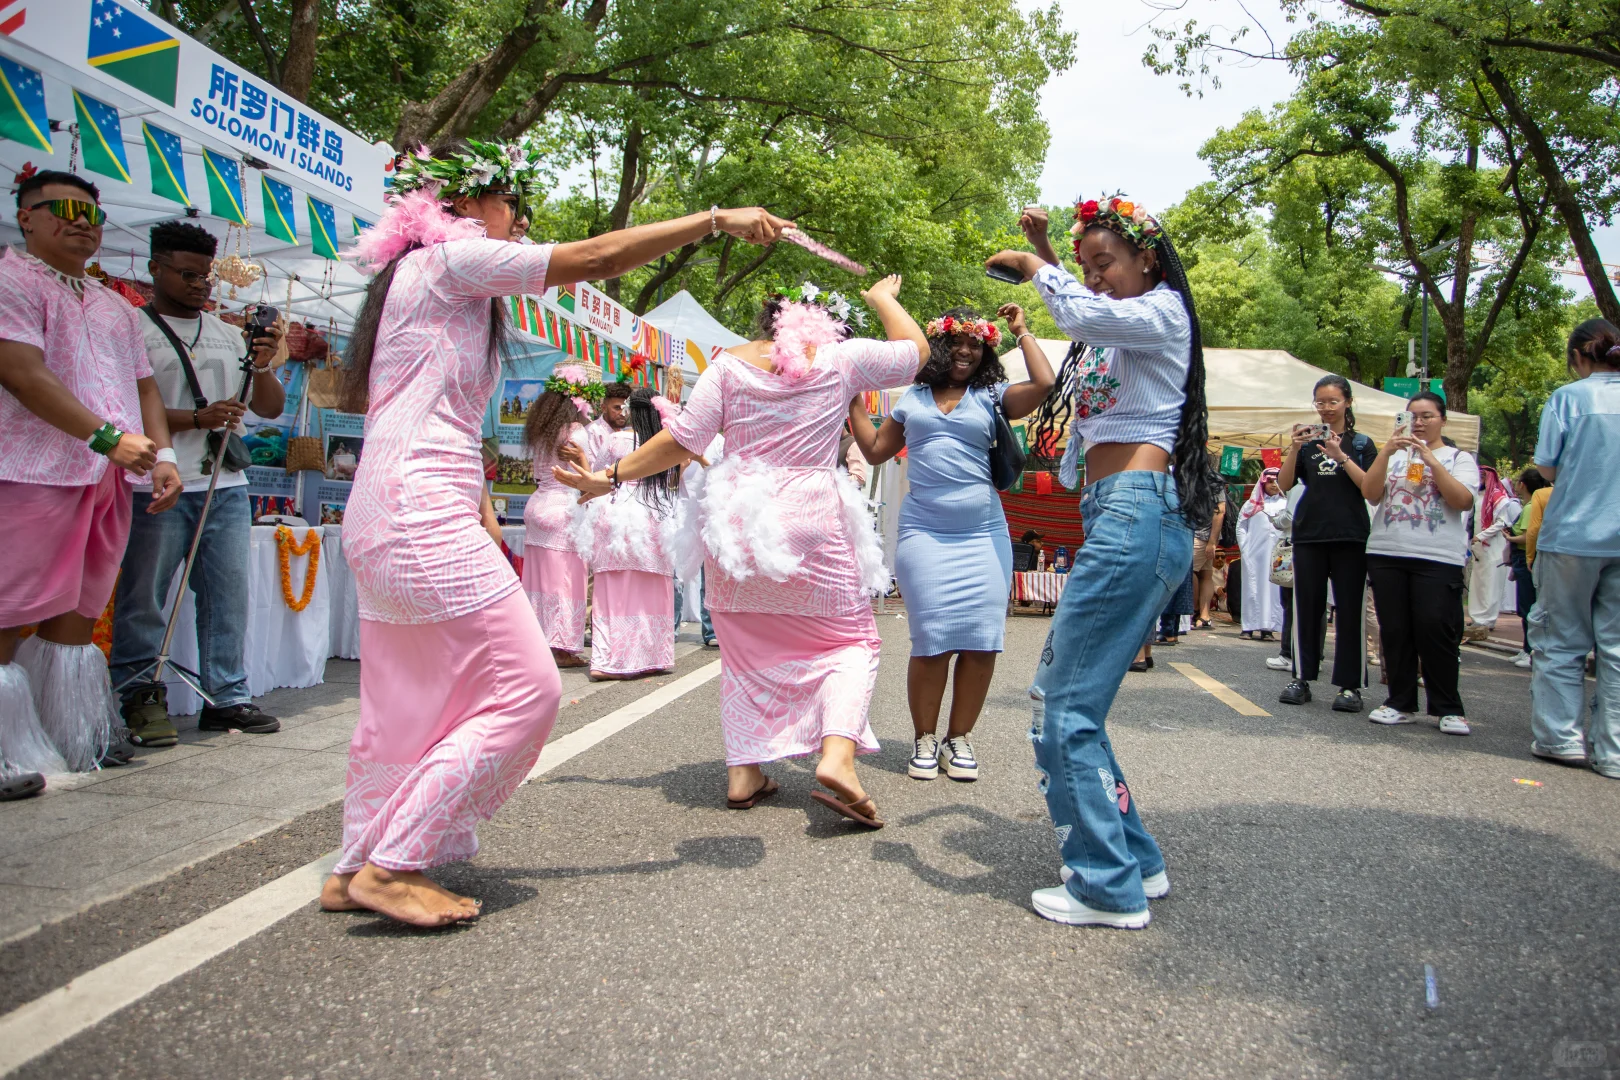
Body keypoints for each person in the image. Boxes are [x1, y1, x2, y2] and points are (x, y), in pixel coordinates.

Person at [320, 135, 791, 927]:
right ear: (462, 203)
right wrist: (713, 217)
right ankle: (394, 864)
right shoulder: (451, 257)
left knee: (401, 703)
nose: (520, 223)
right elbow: (600, 256)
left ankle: (354, 862)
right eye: (514, 206)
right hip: (422, 510)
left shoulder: (411, 276)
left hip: (380, 511)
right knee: (529, 690)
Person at [555, 276, 928, 826]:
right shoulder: (841, 358)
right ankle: (838, 756)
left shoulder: (728, 365)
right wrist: (883, 299)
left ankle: (744, 771)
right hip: (812, 517)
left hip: (738, 526)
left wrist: (609, 478)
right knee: (850, 641)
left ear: (765, 317)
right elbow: (917, 353)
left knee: (746, 650)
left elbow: (683, 438)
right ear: (821, 318)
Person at [986, 193, 1221, 928]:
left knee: (1059, 708)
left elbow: (1089, 315)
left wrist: (1033, 267)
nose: (1093, 279)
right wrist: (1055, 255)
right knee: (1077, 706)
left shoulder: (1164, 315)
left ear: (1147, 258)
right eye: (1084, 267)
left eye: (1106, 263)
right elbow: (1092, 314)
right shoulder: (1125, 325)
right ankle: (1136, 862)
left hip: (1136, 514)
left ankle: (1104, 886)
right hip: (1122, 515)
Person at [0, 170, 182, 782]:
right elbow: (22, 374)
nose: (82, 222)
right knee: (6, 608)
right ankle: (3, 753)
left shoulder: (115, 306)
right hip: (29, 469)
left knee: (76, 616)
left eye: (93, 214)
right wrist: (106, 438)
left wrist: (163, 458)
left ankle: (70, 739)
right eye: (65, 209)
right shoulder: (10, 278)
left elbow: (144, 388)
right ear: (27, 216)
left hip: (104, 480)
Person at [848, 303, 1054, 782]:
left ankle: (958, 739)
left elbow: (1043, 385)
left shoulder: (993, 395)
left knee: (982, 641)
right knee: (931, 640)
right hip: (923, 531)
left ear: (984, 351)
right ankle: (924, 738)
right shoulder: (911, 397)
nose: (965, 350)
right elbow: (877, 452)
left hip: (983, 533)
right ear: (938, 345)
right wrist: (851, 399)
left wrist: (1021, 331)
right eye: (956, 342)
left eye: (975, 343)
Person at [110, 221, 287, 748]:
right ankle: (139, 696)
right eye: (187, 274)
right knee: (145, 597)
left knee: (227, 595)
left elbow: (270, 408)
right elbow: (121, 408)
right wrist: (196, 420)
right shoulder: (130, 330)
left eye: (205, 276)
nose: (199, 285)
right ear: (154, 268)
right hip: (154, 484)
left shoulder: (228, 333)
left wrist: (263, 365)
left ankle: (225, 696)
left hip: (224, 484)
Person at [1528, 319, 1620, 777]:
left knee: (1560, 640)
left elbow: (1546, 467)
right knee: (1618, 648)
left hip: (1573, 534)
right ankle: (1614, 751)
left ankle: (1561, 737)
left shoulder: (1570, 398)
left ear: (1580, 354)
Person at [1359, 392, 1479, 734]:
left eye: (1427, 416)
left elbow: (1462, 500)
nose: (1420, 422)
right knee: (1394, 631)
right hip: (1387, 552)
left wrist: (1431, 461)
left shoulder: (1459, 458)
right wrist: (1386, 451)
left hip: (1438, 557)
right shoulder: (1394, 456)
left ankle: (1448, 708)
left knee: (1435, 629)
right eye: (1413, 416)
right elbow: (1370, 492)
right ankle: (1400, 702)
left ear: (1443, 419)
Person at [1275, 375, 1378, 711]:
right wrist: (1293, 446)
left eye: (1333, 401)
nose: (1326, 408)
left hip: (1350, 535)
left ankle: (1350, 687)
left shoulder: (1362, 444)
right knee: (1306, 608)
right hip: (1309, 534)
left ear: (1347, 402)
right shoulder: (1306, 445)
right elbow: (1285, 483)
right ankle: (1301, 678)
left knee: (1350, 612)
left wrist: (1340, 455)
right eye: (1320, 402)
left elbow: (1370, 489)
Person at [574, 385, 680, 680]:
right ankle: (651, 656)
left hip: (615, 513)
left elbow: (597, 475)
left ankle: (607, 660)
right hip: (652, 512)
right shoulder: (661, 442)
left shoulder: (614, 440)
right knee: (652, 586)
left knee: (612, 589)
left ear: (631, 411)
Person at [520, 368, 596, 669]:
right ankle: (562, 648)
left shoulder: (541, 430)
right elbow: (585, 476)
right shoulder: (576, 431)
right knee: (566, 580)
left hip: (536, 506)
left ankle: (536, 641)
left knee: (538, 581)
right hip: (563, 508)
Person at [1464, 465, 1520, 639]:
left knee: (1490, 583)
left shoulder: (1499, 498)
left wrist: (1481, 536)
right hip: (1478, 547)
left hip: (1493, 546)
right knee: (1478, 584)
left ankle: (1488, 619)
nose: (1479, 480)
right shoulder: (1477, 497)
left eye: (1482, 477)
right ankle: (1477, 617)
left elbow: (1501, 523)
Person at [1505, 466, 1550, 668]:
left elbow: (1530, 534)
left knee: (1528, 606)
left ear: (1523, 484)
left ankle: (1531, 650)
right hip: (1528, 557)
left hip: (1526, 557)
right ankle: (1526, 648)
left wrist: (1509, 537)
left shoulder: (1532, 506)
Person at [1236, 467, 1285, 641]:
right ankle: (1248, 627)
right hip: (1254, 555)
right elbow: (1241, 527)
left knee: (1274, 591)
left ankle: (1268, 628)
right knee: (1252, 589)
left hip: (1278, 556)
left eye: (1276, 481)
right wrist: (1245, 548)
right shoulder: (1251, 504)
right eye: (1270, 481)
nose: (1273, 485)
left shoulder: (1285, 504)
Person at [1191, 485, 1227, 628]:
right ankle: (1204, 616)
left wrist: (1212, 542)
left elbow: (1220, 511)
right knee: (1205, 575)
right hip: (1205, 536)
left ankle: (1192, 612)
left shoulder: (1208, 481)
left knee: (1189, 572)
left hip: (1200, 535)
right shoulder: (1212, 479)